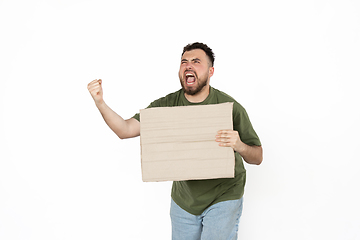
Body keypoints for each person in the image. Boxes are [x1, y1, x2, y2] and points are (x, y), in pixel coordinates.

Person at [87, 42, 263, 240]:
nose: (188, 65)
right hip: (184, 199)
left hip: (224, 195)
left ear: (211, 71)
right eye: (184, 62)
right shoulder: (166, 106)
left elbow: (257, 157)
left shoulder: (230, 108)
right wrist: (100, 102)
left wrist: (239, 145)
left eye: (196, 61)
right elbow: (125, 130)